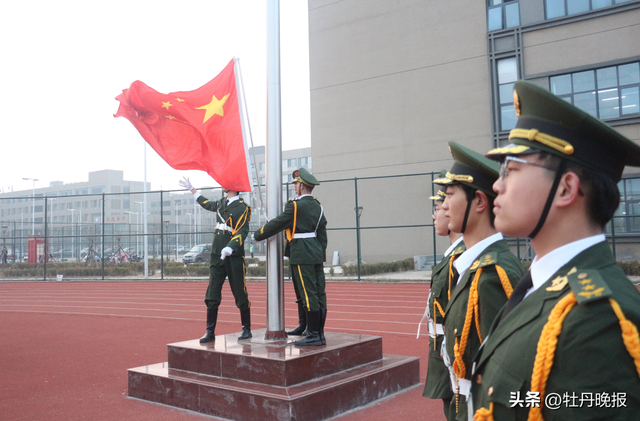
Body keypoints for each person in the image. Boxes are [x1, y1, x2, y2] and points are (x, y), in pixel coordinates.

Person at [471, 80, 640, 420]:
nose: (496, 184)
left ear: (565, 188)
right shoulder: (541, 286)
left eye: (512, 170)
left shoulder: (596, 319)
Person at [434, 142, 525, 421]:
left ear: (480, 202)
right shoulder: (474, 266)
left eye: (450, 195)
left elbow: (509, 376)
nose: (444, 206)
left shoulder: (494, 275)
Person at [253, 168, 328, 346]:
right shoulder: (318, 206)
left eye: (296, 184)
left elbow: (279, 223)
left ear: (302, 187)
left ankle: (314, 335)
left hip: (301, 253)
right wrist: (319, 251)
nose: (294, 186)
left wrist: (258, 234)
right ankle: (309, 328)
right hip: (315, 252)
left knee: (308, 293)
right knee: (317, 292)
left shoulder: (295, 206)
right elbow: (322, 233)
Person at [179, 177, 253, 343]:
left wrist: (230, 247)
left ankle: (246, 329)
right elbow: (207, 204)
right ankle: (210, 331)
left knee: (239, 291)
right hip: (216, 253)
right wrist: (193, 189)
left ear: (233, 186)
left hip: (233, 255)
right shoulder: (221, 203)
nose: (222, 184)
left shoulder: (243, 208)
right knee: (212, 291)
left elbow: (242, 231)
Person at [419, 186, 464, 419]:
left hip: (455, 356)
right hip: (443, 352)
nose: (435, 215)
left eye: (438, 208)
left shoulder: (462, 259)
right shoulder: (453, 255)